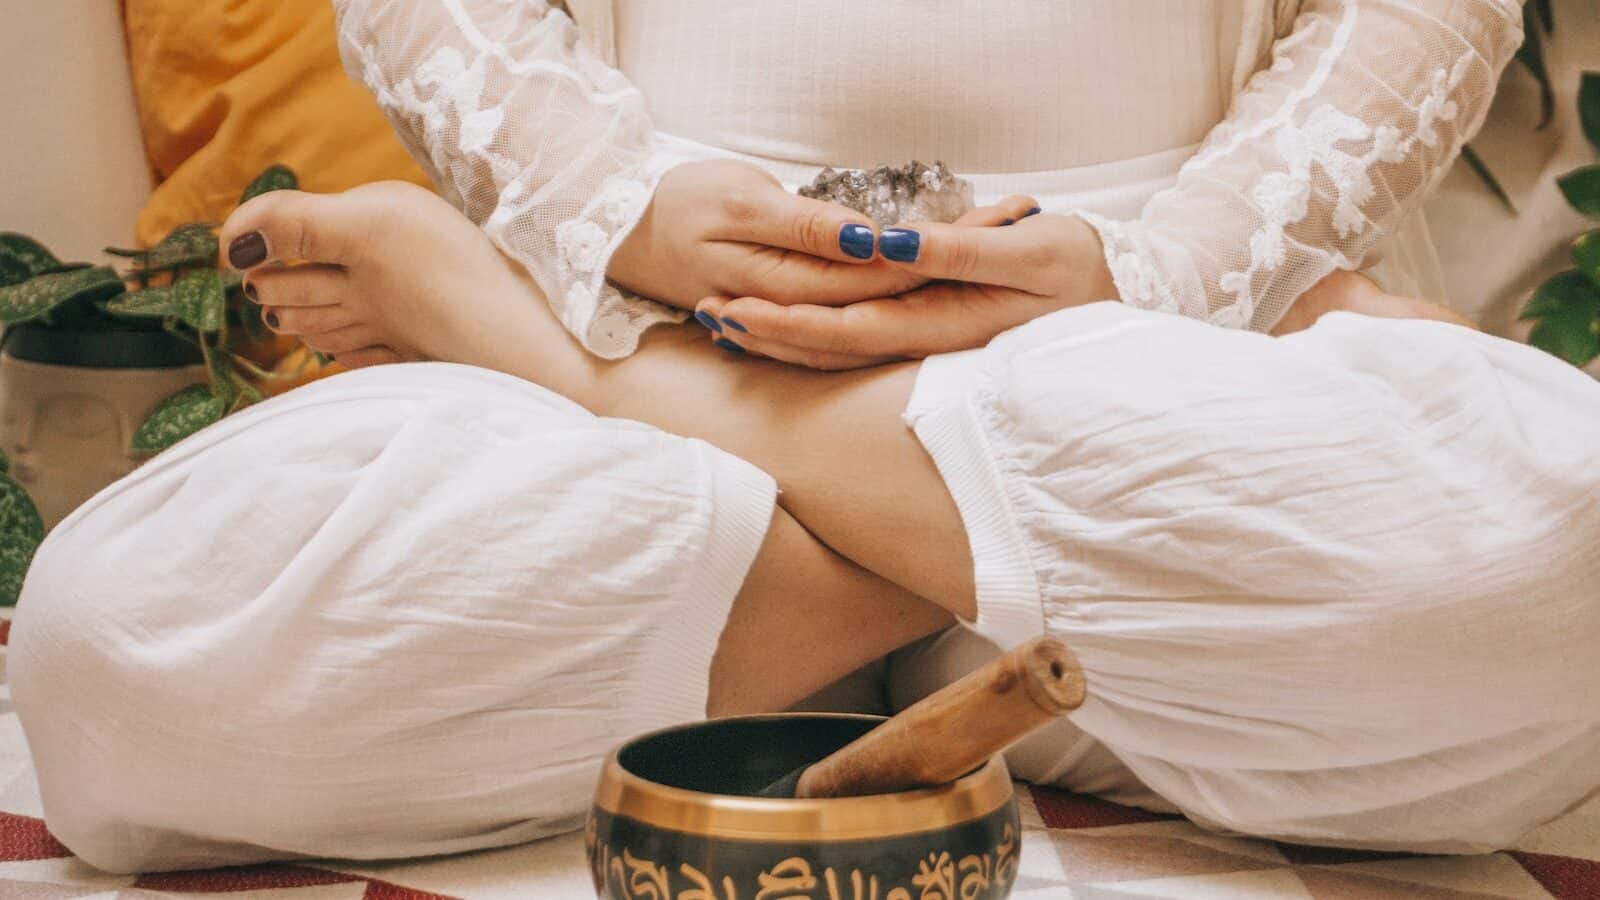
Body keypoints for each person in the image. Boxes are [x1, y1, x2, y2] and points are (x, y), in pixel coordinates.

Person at [14, 0, 1599, 877]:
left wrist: (1176, 270)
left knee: (1576, 578)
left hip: (1153, 336)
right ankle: (910, 527)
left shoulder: (1169, 298)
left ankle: (599, 381)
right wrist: (611, 207)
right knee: (123, 656)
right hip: (642, 300)